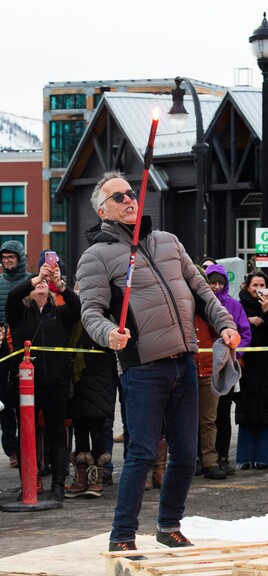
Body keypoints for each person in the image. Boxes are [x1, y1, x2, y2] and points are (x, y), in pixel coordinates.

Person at [76, 171, 239, 554]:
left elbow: (201, 291)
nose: (130, 199)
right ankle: (122, 536)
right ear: (103, 210)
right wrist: (109, 335)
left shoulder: (167, 242)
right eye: (119, 197)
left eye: (132, 193)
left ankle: (169, 525)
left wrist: (225, 325)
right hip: (144, 368)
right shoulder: (96, 255)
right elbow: (91, 312)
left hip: (185, 361)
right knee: (142, 454)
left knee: (185, 452)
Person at [6, 262, 80, 504]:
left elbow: (77, 307)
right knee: (26, 433)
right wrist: (35, 278)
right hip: (26, 382)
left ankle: (58, 483)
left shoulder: (58, 313)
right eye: (37, 284)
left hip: (56, 381)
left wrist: (60, 284)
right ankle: (29, 480)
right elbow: (13, 295)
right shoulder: (19, 313)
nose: (41, 286)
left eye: (44, 285)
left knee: (57, 432)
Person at [64, 288, 118, 499]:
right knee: (80, 428)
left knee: (98, 428)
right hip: (78, 382)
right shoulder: (75, 319)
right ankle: (82, 478)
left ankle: (97, 477)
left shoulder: (105, 317)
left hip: (100, 381)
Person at [202, 264, 251, 478]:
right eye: (212, 282)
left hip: (227, 365)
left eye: (220, 282)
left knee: (222, 414)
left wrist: (237, 354)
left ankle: (223, 456)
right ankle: (202, 457)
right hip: (202, 364)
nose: (216, 286)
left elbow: (245, 333)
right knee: (203, 416)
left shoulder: (233, 305)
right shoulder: (198, 304)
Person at [234, 270, 268, 470]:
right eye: (255, 285)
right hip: (247, 366)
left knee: (267, 411)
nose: (258, 289)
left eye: (262, 285)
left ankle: (266, 457)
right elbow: (233, 326)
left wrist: (266, 311)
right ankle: (245, 458)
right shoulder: (239, 306)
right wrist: (248, 319)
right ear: (247, 287)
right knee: (247, 411)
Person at [0, 240, 31, 469]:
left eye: (11, 257)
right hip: (3, 349)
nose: (7, 261)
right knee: (5, 402)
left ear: (19, 258)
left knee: (28, 402)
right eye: (4, 258)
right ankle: (11, 448)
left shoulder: (30, 281)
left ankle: (28, 446)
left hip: (26, 346)